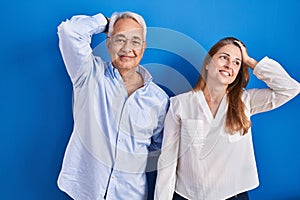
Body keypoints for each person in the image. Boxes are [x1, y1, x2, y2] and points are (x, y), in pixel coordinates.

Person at [154, 37, 300, 200]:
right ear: (208, 64)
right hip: (187, 196)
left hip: (233, 196)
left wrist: (249, 61)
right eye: (224, 57)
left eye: (237, 62)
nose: (229, 65)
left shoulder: (246, 101)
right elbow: (167, 162)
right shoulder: (180, 104)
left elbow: (290, 89)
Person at [57, 11, 169, 200]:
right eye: (119, 39)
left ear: (143, 48)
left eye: (135, 41)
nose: (127, 48)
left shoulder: (159, 99)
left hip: (130, 194)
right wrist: (106, 23)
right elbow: (69, 31)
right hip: (85, 191)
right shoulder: (88, 74)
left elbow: (159, 150)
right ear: (108, 44)